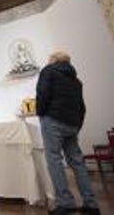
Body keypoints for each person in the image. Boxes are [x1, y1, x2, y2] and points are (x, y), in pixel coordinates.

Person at [36, 52, 100, 215]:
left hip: (53, 120)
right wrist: (77, 125)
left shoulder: (48, 71)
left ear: (53, 61)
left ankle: (66, 204)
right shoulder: (76, 81)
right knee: (77, 162)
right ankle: (91, 204)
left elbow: (42, 94)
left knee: (54, 160)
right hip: (72, 124)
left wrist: (41, 113)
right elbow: (82, 106)